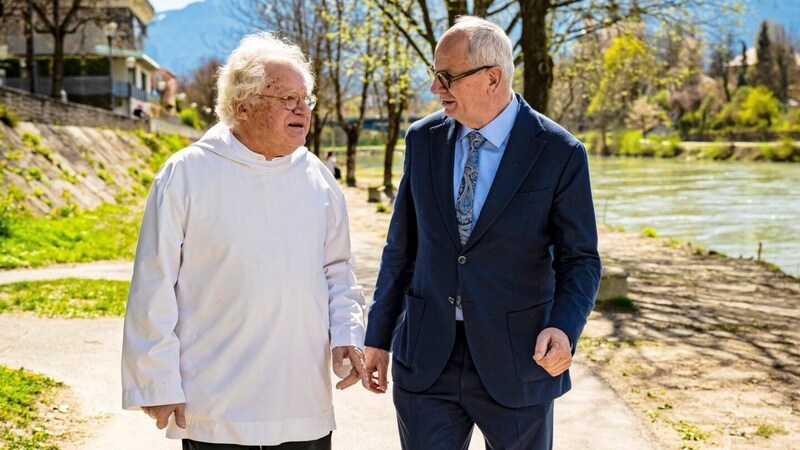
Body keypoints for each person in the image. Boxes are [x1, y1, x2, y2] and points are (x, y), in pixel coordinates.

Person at [363, 16, 601, 449]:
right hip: (427, 355)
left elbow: (580, 260)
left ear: (492, 77)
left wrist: (564, 327)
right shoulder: (423, 140)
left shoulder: (560, 152)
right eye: (434, 76)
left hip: (517, 362)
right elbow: (402, 247)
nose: (436, 89)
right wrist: (378, 336)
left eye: (447, 77)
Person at [121, 31, 368, 449]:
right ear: (243, 107)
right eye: (287, 99)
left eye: (305, 99)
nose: (302, 110)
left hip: (301, 402)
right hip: (215, 404)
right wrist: (156, 382)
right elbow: (153, 283)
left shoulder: (319, 179)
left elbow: (338, 268)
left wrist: (346, 331)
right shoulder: (186, 174)